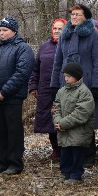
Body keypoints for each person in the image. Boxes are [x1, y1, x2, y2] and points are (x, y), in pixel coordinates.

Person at [51, 4, 98, 166]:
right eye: (72, 14)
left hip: (86, 83)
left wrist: (96, 85)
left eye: (78, 14)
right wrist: (54, 85)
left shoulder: (94, 35)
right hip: (65, 83)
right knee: (67, 116)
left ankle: (88, 155)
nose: (74, 17)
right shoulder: (64, 35)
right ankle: (68, 155)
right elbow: (57, 61)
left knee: (85, 119)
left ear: (86, 17)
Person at [0, 17, 35, 175]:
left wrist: (4, 92)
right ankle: (1, 161)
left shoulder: (23, 48)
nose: (1, 33)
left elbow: (22, 73)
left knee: (13, 130)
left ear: (14, 31)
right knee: (0, 130)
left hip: (13, 97)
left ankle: (15, 163)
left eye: (4, 30)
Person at [29, 19, 66, 161]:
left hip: (63, 89)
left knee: (62, 119)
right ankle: (56, 150)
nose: (57, 31)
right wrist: (33, 86)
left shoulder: (67, 46)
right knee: (49, 121)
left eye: (60, 29)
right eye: (55, 28)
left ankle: (66, 150)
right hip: (45, 89)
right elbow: (35, 69)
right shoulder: (44, 47)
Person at [52, 62, 95, 184]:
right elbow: (56, 108)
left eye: (69, 76)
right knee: (65, 152)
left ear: (77, 77)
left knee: (77, 153)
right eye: (65, 76)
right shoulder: (61, 91)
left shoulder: (84, 92)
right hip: (64, 129)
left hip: (79, 131)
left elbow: (81, 113)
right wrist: (57, 121)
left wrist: (63, 123)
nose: (66, 79)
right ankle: (65, 172)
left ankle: (76, 174)